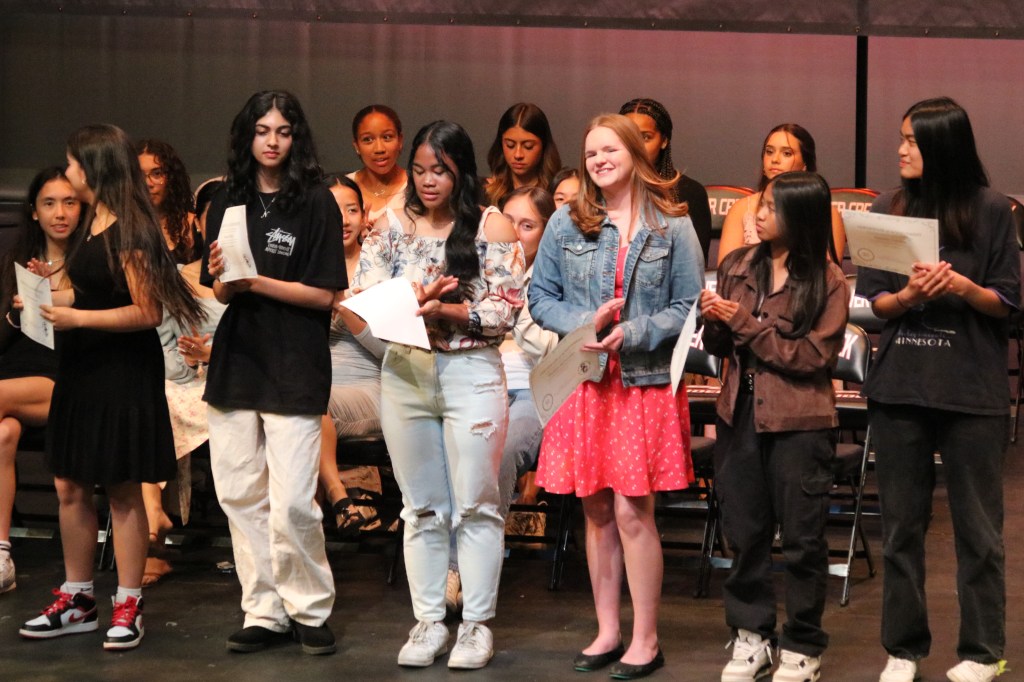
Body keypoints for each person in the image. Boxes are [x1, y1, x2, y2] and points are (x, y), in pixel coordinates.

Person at [529, 113, 703, 679]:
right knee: (596, 508)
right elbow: (540, 297)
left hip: (642, 382)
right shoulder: (566, 222)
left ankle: (646, 638)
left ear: (635, 153)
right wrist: (588, 322)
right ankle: (607, 630)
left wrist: (635, 331)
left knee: (632, 511)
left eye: (610, 150)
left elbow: (688, 306)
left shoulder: (672, 224)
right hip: (585, 380)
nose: (600, 160)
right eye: (591, 153)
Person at [17, 124, 204, 650]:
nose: (68, 172)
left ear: (94, 167)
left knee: (121, 488)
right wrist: (46, 294)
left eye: (73, 163)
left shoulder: (132, 228)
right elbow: (91, 292)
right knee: (70, 484)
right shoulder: (88, 222)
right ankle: (78, 598)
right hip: (82, 368)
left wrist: (77, 318)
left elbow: (146, 312)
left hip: (121, 373)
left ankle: (128, 602)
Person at [352, 120, 524, 670]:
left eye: (441, 171)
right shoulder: (388, 225)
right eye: (421, 170)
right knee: (421, 505)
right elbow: (363, 298)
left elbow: (504, 310)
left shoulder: (492, 226)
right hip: (405, 369)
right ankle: (428, 620)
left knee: (475, 503)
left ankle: (475, 624)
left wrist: (449, 310)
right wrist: (411, 304)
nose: (428, 181)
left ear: (461, 172)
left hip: (470, 369)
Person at [856, 97, 1017, 682]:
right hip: (900, 388)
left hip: (972, 391)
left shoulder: (992, 209)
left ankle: (982, 652)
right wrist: (908, 297)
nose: (901, 150)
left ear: (942, 146)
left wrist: (961, 288)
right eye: (901, 138)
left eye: (912, 140)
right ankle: (903, 649)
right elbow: (874, 303)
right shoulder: (888, 207)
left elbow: (1008, 303)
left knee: (979, 532)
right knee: (902, 529)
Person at [201, 90, 346, 656]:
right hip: (237, 358)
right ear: (248, 135)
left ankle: (308, 607)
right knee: (240, 492)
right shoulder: (226, 198)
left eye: (283, 131)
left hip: (295, 362)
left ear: (296, 138)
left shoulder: (315, 201)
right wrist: (222, 279)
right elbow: (220, 291)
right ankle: (264, 610)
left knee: (292, 502)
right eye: (262, 130)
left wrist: (256, 282)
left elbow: (325, 294)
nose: (272, 141)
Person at [700, 171, 849, 682]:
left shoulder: (828, 280)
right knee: (745, 533)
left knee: (803, 540)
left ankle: (802, 644)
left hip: (800, 421)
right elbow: (719, 348)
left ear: (799, 216)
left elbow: (809, 358)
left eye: (769, 207)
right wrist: (715, 321)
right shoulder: (738, 265)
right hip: (738, 415)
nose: (756, 215)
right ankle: (752, 635)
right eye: (759, 205)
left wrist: (742, 323)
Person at [445, 186, 559, 612]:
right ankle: (451, 568)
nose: (513, 232)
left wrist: (516, 317)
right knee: (460, 451)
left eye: (527, 225)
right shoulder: (476, 268)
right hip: (477, 381)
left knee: (503, 451)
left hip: (534, 388)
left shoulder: (555, 279)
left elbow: (563, 347)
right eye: (508, 222)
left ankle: (463, 570)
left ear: (547, 231)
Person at [142, 179, 227, 586]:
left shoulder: (256, 280)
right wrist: (190, 360)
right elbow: (165, 351)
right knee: (150, 397)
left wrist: (214, 356)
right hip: (183, 383)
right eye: (214, 218)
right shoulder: (174, 278)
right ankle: (151, 522)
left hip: (233, 383)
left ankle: (151, 533)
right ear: (197, 223)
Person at [0, 168, 81, 594]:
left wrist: (55, 299)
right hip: (12, 377)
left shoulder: (90, 262)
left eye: (69, 202)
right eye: (49, 203)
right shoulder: (14, 262)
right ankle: (2, 556)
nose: (60, 213)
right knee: (3, 435)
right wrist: (18, 311)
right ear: (34, 211)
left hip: (61, 379)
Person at [317, 174, 386, 535]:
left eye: (351, 210)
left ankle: (337, 497)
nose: (343, 220)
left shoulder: (379, 268)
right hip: (317, 383)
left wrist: (342, 307)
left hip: (369, 386)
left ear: (363, 215)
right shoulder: (308, 268)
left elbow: (390, 351)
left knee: (305, 400)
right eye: (333, 211)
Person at [718, 124, 846, 266]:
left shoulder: (826, 212)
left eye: (786, 153)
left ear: (805, 164)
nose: (775, 159)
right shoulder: (741, 209)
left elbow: (827, 272)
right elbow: (726, 269)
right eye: (769, 152)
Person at [619, 98, 713, 261]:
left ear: (664, 141)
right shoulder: (603, 187)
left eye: (645, 137)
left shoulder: (689, 192)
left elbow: (694, 263)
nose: (635, 145)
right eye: (628, 137)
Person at [135, 138, 204, 264]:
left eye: (157, 174)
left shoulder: (192, 223)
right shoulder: (123, 227)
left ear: (172, 178)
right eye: (140, 176)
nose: (148, 183)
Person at [485, 103, 562, 206]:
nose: (518, 155)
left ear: (544, 146)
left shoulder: (558, 193)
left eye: (528, 146)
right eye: (510, 145)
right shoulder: (486, 192)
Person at [346, 105, 407, 225]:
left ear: (400, 140)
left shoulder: (418, 187)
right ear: (357, 146)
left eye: (387, 137)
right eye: (368, 139)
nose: (379, 149)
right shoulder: (344, 188)